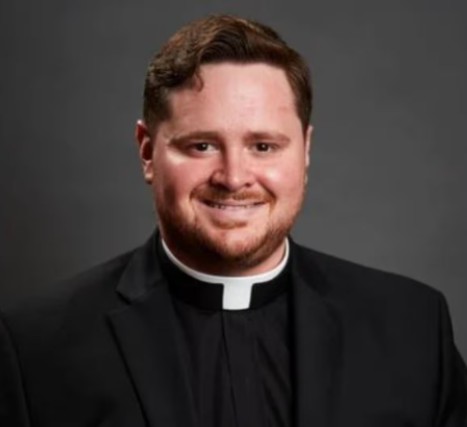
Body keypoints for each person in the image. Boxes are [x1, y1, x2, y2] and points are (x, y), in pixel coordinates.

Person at [0, 14, 465, 427]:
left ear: (305, 151)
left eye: (263, 146)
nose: (234, 177)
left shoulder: (414, 327)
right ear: (147, 152)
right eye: (201, 145)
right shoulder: (33, 348)